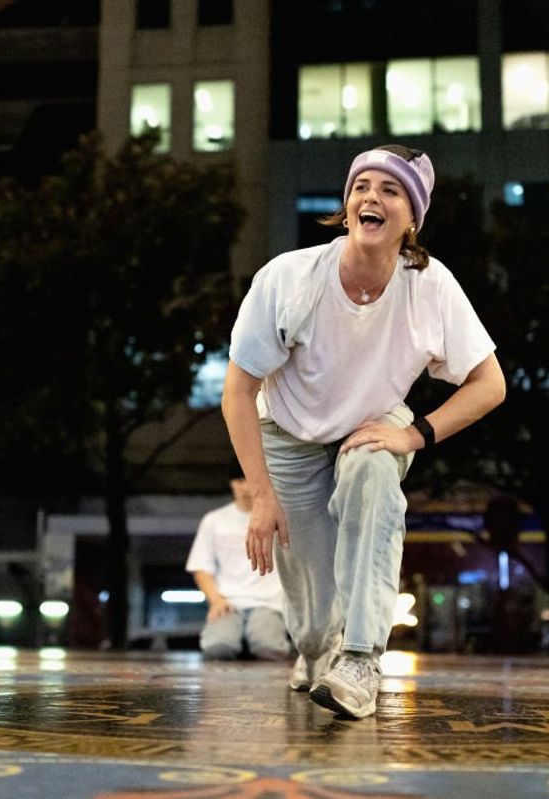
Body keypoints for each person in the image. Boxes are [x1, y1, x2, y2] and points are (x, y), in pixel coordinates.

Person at [221, 144, 506, 718]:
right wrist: (262, 495)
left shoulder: (430, 285)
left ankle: (359, 658)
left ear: (411, 219)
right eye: (361, 187)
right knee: (310, 608)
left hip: (374, 425)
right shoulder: (290, 278)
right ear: (348, 206)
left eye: (390, 190)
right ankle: (316, 649)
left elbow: (489, 384)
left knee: (376, 473)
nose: (371, 197)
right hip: (290, 433)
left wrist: (414, 434)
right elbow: (238, 392)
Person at [185, 465, 291, 661]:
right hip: (228, 601)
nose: (245, 487)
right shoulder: (214, 520)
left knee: (268, 647)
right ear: (231, 483)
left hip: (269, 602)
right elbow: (200, 566)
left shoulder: (281, 517)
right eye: (239, 481)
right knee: (217, 647)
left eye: (249, 480)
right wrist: (216, 600)